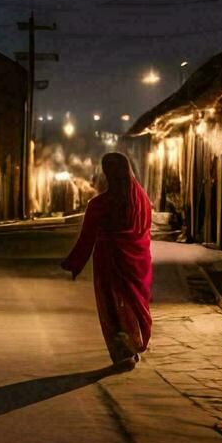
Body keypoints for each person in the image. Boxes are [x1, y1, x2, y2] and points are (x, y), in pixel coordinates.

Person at [60, 152, 153, 367]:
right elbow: (145, 231)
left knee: (112, 305)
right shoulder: (141, 200)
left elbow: (87, 239)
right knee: (132, 303)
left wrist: (74, 264)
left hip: (108, 262)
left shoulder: (99, 205)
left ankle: (123, 353)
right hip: (137, 264)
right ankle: (134, 342)